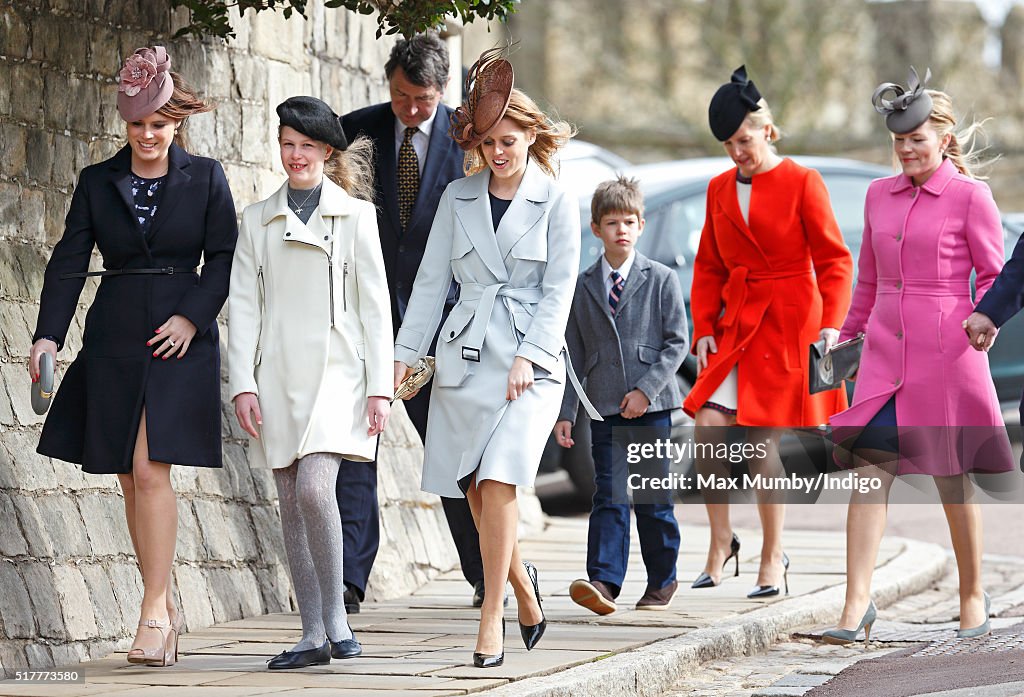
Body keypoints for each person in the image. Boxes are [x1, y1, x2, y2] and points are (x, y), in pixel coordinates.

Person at [28, 46, 237, 666]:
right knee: (126, 475)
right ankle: (166, 607)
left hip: (178, 337)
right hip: (115, 334)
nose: (148, 135)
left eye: (159, 124)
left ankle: (150, 611)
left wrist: (192, 318)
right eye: (138, 124)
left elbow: (223, 260)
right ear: (125, 123)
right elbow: (70, 261)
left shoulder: (207, 178)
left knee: (149, 469)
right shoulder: (98, 181)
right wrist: (47, 336)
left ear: (177, 123)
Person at [393, 48, 597, 667]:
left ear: (530, 137)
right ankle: (522, 586)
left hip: (529, 363)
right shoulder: (457, 196)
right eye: (489, 142)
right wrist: (405, 357)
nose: (499, 152)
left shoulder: (558, 200)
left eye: (509, 140)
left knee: (501, 477)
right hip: (463, 356)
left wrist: (530, 358)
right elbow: (431, 284)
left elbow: (561, 288)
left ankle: (492, 617)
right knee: (474, 492)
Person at [824, 70, 1013, 644]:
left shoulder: (971, 196)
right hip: (884, 353)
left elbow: (995, 274)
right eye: (899, 142)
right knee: (868, 471)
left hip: (947, 353)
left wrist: (986, 317)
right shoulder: (878, 195)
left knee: (952, 478)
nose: (906, 150)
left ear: (944, 140)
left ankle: (973, 593)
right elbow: (869, 280)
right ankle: (856, 605)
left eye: (917, 140)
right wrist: (844, 332)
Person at [228, 96, 393, 669]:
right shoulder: (256, 220)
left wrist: (379, 387)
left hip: (340, 373)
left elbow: (376, 307)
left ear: (327, 151)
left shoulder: (357, 216)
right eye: (287, 143)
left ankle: (337, 621)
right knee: (291, 501)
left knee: (318, 490)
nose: (295, 155)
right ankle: (311, 632)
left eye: (307, 146)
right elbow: (244, 307)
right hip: (276, 375)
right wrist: (242, 384)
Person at [683, 66, 854, 597]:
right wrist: (703, 328)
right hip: (737, 327)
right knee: (709, 426)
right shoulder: (717, 189)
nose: (737, 152)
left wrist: (831, 325)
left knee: (758, 443)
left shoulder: (804, 181)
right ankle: (721, 541)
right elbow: (708, 265)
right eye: (729, 145)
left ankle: (773, 556)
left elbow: (835, 261)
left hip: (787, 325)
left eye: (744, 140)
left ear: (767, 131)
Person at [339, 32, 487, 612]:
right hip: (367, 323)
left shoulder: (467, 139)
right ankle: (349, 583)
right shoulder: (355, 130)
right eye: (402, 96)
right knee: (356, 449)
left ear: (443, 90)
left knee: (450, 453)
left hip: (436, 331)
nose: (411, 109)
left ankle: (485, 573)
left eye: (422, 99)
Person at [555, 177, 688, 615]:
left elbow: (676, 344)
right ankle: (604, 581)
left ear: (641, 224)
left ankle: (661, 579)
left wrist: (646, 392)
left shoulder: (662, 279)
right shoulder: (583, 285)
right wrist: (567, 413)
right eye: (612, 223)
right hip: (604, 405)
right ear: (596, 229)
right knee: (608, 495)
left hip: (652, 408)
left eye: (629, 222)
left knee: (652, 497)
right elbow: (572, 354)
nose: (621, 231)